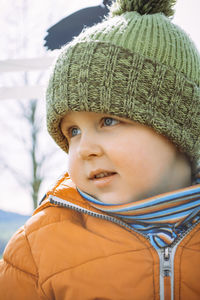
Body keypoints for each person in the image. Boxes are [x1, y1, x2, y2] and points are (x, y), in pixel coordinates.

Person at [0, 0, 200, 299]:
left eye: (108, 121)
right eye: (73, 132)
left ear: (179, 125)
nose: (83, 149)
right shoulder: (36, 250)